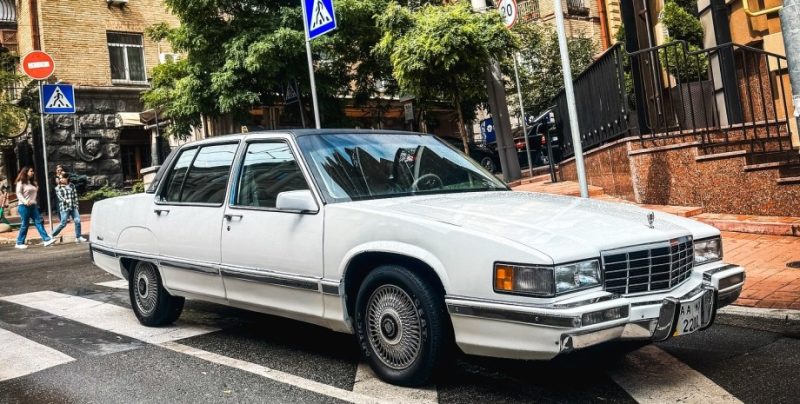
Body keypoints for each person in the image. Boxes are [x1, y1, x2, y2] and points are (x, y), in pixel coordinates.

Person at [14, 166, 56, 249]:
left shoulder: (32, 182)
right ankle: (19, 242)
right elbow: (18, 193)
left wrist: (36, 190)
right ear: (26, 172)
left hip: (33, 205)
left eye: (33, 171)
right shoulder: (21, 182)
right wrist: (25, 201)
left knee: (38, 222)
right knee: (25, 224)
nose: (33, 172)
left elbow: (33, 195)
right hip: (23, 206)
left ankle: (46, 240)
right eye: (31, 171)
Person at [51, 171, 86, 243]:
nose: (60, 180)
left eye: (62, 178)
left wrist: (76, 205)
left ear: (66, 178)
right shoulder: (58, 187)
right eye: (60, 178)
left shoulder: (72, 185)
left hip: (73, 207)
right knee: (63, 223)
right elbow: (60, 197)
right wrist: (66, 201)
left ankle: (78, 236)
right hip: (64, 207)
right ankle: (51, 235)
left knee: (77, 220)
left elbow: (75, 196)